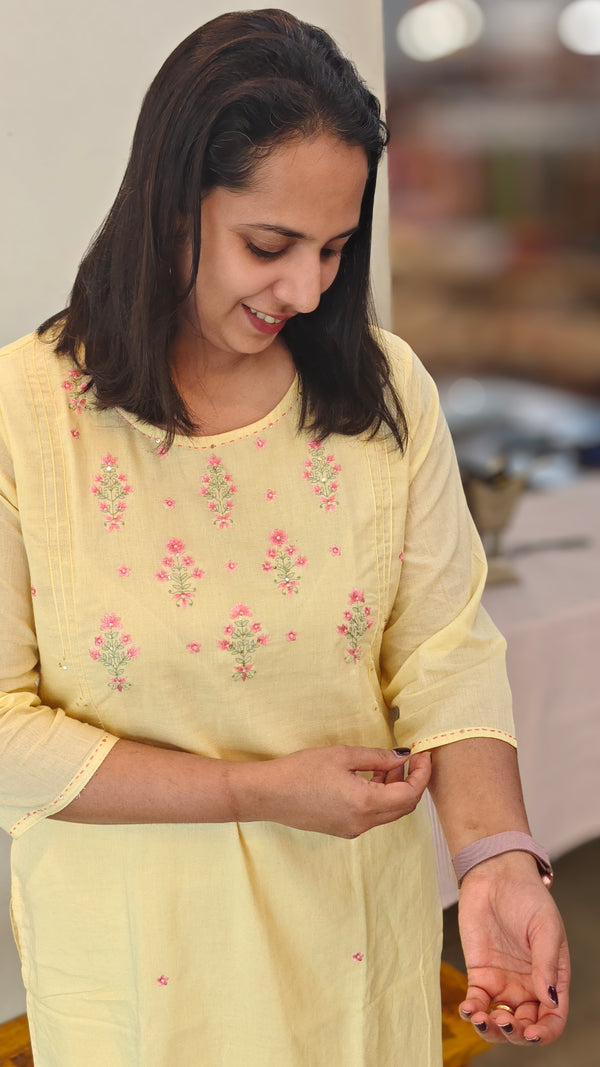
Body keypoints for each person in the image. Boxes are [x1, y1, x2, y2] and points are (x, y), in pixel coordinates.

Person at [0, 8, 569, 1065]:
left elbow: (445, 648)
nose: (306, 291)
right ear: (172, 205)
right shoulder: (28, 414)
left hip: (354, 961)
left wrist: (497, 857)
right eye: (270, 245)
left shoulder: (384, 388)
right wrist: (253, 790)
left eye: (336, 249)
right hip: (138, 984)